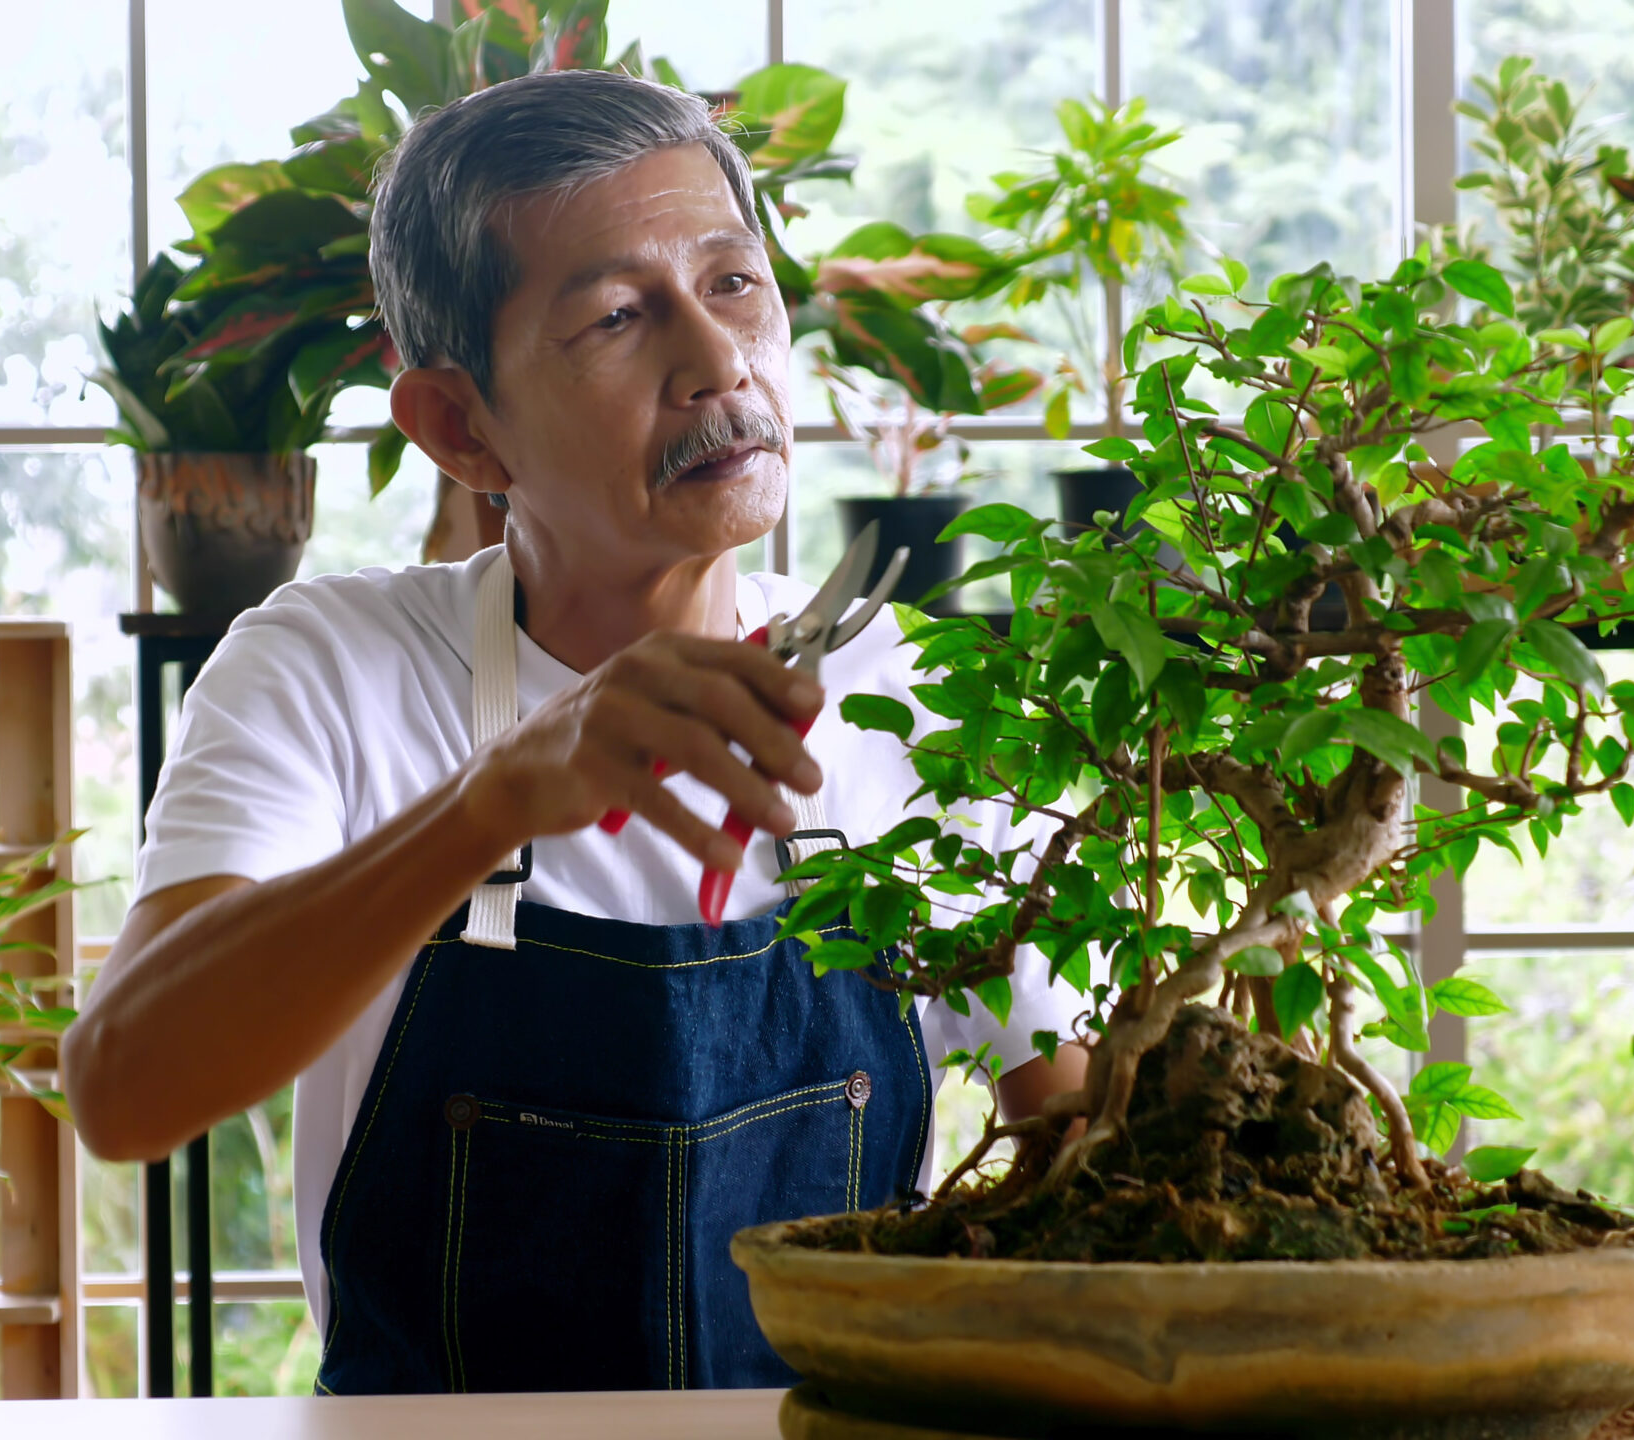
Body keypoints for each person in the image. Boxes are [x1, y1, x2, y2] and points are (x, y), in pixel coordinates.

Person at [65, 67, 1088, 1396]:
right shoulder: (327, 668)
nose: (718, 362)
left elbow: (1084, 1135)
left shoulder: (915, 691)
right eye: (616, 315)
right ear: (460, 426)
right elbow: (125, 1087)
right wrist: (493, 803)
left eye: (734, 284)